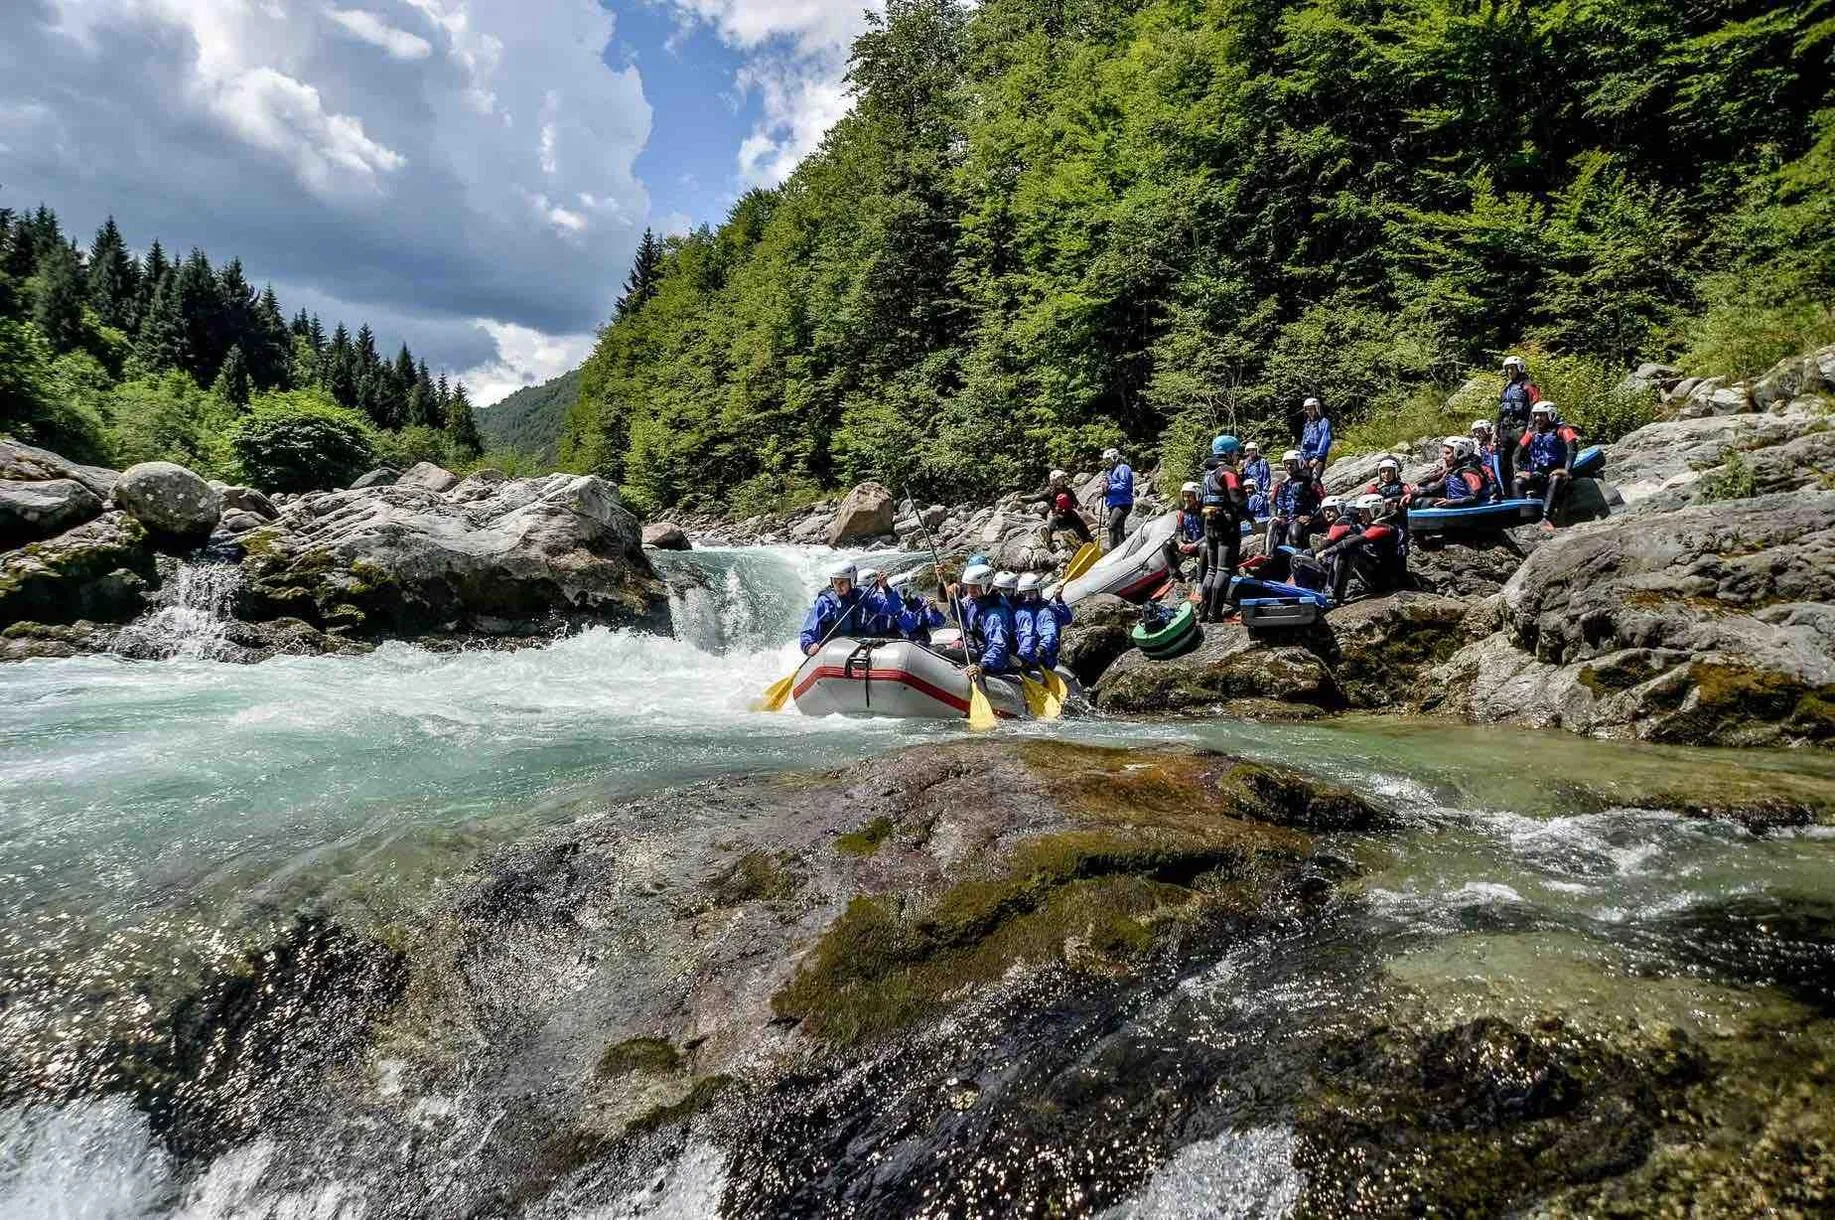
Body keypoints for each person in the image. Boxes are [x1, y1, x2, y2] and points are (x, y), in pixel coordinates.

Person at [800, 560, 900, 654]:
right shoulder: (825, 602)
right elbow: (809, 629)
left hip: (858, 647)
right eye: (835, 582)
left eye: (842, 583)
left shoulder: (863, 595)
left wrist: (886, 587)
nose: (838, 587)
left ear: (852, 581)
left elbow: (894, 608)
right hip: (833, 651)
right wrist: (808, 646)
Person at [1199, 437, 1249, 621]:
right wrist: (1248, 515)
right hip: (1226, 526)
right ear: (1229, 453)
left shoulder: (1208, 472)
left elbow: (1202, 499)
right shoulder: (1227, 470)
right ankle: (1215, 614)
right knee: (1224, 569)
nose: (1237, 456)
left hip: (1209, 523)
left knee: (1212, 569)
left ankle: (1203, 611)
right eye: (1236, 453)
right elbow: (1237, 498)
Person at [1288, 494, 1364, 597]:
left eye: (1331, 510)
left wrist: (1313, 552)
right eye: (1325, 511)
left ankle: (1308, 589)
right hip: (1337, 567)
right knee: (1306, 554)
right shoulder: (1348, 523)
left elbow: (1326, 544)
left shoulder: (1341, 523)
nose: (1327, 513)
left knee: (1297, 559)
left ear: (1340, 508)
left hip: (1335, 569)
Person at [1337, 494, 1407, 601]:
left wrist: (1327, 551)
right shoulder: (1390, 519)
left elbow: (1356, 541)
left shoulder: (1383, 526)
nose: (1360, 514)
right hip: (1387, 574)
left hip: (1388, 580)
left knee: (1349, 549)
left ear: (1375, 510)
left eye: (1363, 511)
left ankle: (1336, 595)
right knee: (1349, 542)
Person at [1515, 402, 1572, 530]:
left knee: (1556, 478)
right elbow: (1517, 453)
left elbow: (1572, 450)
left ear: (1551, 415)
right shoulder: (1531, 432)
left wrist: (1566, 470)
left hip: (1557, 471)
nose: (1537, 418)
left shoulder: (1563, 429)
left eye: (1542, 415)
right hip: (1538, 473)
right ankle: (1526, 519)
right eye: (1536, 415)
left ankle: (1547, 518)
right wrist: (1518, 471)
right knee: (1518, 482)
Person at [957, 562, 1013, 680]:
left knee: (946, 653)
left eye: (974, 587)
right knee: (941, 650)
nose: (970, 590)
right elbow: (960, 616)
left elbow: (998, 645)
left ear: (986, 586)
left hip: (991, 658)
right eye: (968, 586)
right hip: (976, 646)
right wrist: (953, 599)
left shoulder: (995, 615)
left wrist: (981, 666)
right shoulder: (973, 600)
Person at [1495, 355, 1542, 489]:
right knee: (1504, 460)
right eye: (1507, 369)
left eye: (1512, 368)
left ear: (1520, 368)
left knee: (1522, 457)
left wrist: (1532, 428)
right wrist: (1496, 430)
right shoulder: (1506, 388)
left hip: (1521, 428)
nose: (1509, 371)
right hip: (1505, 430)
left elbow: (1536, 407)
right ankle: (1507, 490)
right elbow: (1500, 410)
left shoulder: (1528, 385)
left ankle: (1526, 487)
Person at [1267, 449, 1321, 550]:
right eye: (1286, 464)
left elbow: (1323, 502)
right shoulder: (1281, 483)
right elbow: (1272, 503)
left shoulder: (1310, 482)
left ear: (1299, 463)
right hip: (1286, 517)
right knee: (1273, 525)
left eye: (1292, 463)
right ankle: (1269, 555)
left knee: (1294, 529)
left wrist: (1311, 517)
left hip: (1303, 518)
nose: (1289, 466)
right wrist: (1274, 516)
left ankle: (1298, 553)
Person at [1411, 437, 1488, 507]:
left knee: (1425, 503)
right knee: (1418, 501)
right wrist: (1417, 491)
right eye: (1444, 453)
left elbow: (1477, 497)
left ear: (1460, 453)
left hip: (1467, 506)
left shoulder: (1469, 472)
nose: (1444, 457)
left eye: (1448, 453)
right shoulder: (1453, 469)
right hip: (1455, 504)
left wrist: (1451, 502)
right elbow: (1437, 486)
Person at [1027, 469, 1094, 546]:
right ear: (1055, 480)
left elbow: (1075, 502)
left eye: (1063, 478)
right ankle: (1049, 541)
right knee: (1051, 525)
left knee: (1081, 524)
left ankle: (1089, 540)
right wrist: (1022, 499)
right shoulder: (1049, 492)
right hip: (1058, 516)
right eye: (1061, 478)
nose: (1063, 479)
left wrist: (1079, 506)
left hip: (1070, 514)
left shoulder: (1068, 490)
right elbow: (1034, 498)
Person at [1165, 481, 1205, 581]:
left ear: (1197, 495)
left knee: (1204, 547)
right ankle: (1176, 575)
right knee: (1167, 545)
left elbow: (1211, 533)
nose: (1186, 499)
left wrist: (1195, 544)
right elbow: (1178, 531)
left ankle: (1200, 579)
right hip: (1191, 545)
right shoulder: (1183, 513)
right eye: (1185, 496)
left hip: (1204, 546)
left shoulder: (1205, 511)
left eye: (1189, 496)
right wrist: (1180, 543)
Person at [891, 573, 946, 644]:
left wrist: (934, 610)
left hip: (923, 643)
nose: (907, 592)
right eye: (902, 590)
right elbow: (908, 624)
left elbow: (939, 623)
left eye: (907, 588)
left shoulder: (921, 602)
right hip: (903, 644)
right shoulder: (893, 608)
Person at [1032, 575, 1070, 672]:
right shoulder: (1020, 608)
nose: (1028, 597)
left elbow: (1066, 619)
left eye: (1031, 593)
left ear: (1038, 592)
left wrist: (1058, 599)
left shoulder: (1046, 610)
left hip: (1043, 656)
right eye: (1025, 593)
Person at [1101, 448, 1134, 549]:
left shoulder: (1123, 468)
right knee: (1119, 531)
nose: (1107, 463)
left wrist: (1109, 487)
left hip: (1123, 503)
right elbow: (1108, 489)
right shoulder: (1109, 472)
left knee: (1112, 527)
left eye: (1108, 460)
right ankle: (1125, 550)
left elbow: (1125, 485)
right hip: (1114, 504)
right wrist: (1104, 489)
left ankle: (1113, 552)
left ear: (1114, 458)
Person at [854, 566, 901, 637]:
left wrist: (886, 588)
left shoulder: (878, 600)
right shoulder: (852, 601)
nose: (862, 591)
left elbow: (895, 607)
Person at [1300, 398, 1333, 477]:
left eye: (1311, 409)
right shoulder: (1308, 424)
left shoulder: (1324, 422)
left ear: (1316, 408)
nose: (1309, 411)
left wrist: (1317, 458)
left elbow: (1325, 441)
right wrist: (1302, 457)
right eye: (1307, 409)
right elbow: (1304, 442)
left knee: (1315, 479)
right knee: (1305, 480)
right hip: (1306, 457)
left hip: (1318, 457)